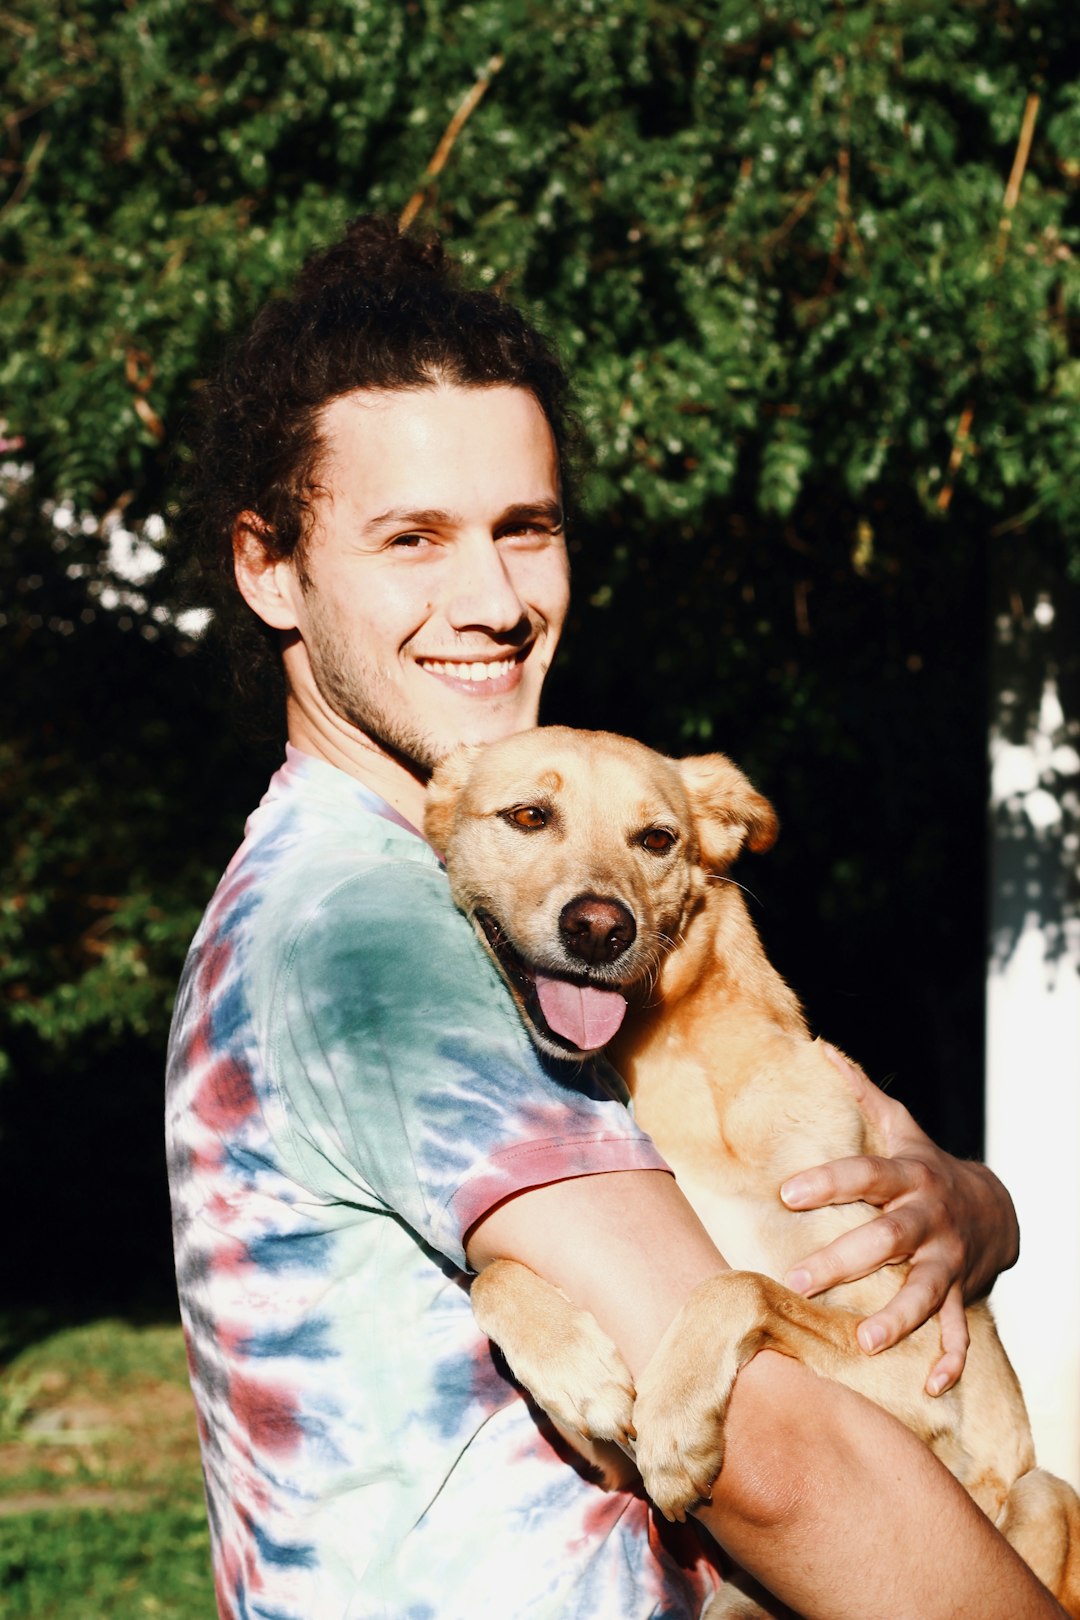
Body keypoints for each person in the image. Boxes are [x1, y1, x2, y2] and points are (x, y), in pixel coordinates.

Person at [166, 215, 1058, 1620]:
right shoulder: (376, 935)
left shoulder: (435, 892)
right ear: (268, 566)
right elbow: (777, 1456)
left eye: (525, 529)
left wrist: (977, 1209)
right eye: (413, 540)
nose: (494, 600)